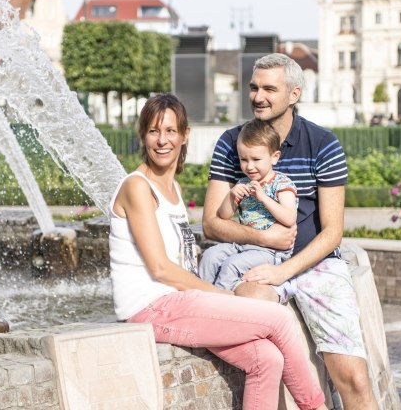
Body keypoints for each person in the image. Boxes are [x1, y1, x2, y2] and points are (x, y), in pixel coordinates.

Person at [109, 93, 327, 410]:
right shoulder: (137, 186)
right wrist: (219, 295)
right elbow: (160, 269)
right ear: (142, 135)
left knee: (266, 359)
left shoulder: (171, 189)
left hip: (178, 301)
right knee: (278, 320)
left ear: (185, 135)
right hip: (151, 307)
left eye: (171, 131)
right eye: (154, 131)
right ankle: (316, 407)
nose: (162, 140)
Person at [203, 54, 379, 410]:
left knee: (355, 379)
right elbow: (212, 223)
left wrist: (284, 270)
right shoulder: (231, 142)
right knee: (260, 341)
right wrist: (266, 240)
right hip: (256, 262)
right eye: (254, 87)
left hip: (316, 266)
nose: (258, 96)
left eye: (270, 88)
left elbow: (332, 233)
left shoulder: (323, 144)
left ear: (294, 94)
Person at [198, 118, 298, 303]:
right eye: (244, 160)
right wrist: (231, 196)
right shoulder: (243, 183)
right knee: (210, 256)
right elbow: (224, 215)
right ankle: (200, 297)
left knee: (231, 265)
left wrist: (264, 198)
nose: (249, 166)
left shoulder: (281, 183)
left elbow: (289, 217)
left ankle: (219, 304)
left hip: (270, 251)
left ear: (274, 157)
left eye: (256, 159)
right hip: (243, 244)